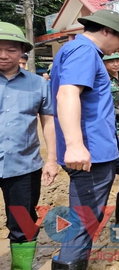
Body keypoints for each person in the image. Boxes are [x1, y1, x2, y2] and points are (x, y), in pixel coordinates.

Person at [50, 10, 119, 269]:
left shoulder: (82, 51)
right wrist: (74, 145)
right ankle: (69, 262)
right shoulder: (83, 52)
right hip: (90, 151)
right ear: (106, 31)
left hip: (107, 143)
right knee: (86, 219)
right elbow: (67, 95)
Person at [0, 22, 57, 270]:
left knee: (23, 221)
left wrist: (52, 159)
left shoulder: (38, 84)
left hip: (23, 167)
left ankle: (20, 267)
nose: (3, 55)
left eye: (11, 49)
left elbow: (48, 122)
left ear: (22, 51)